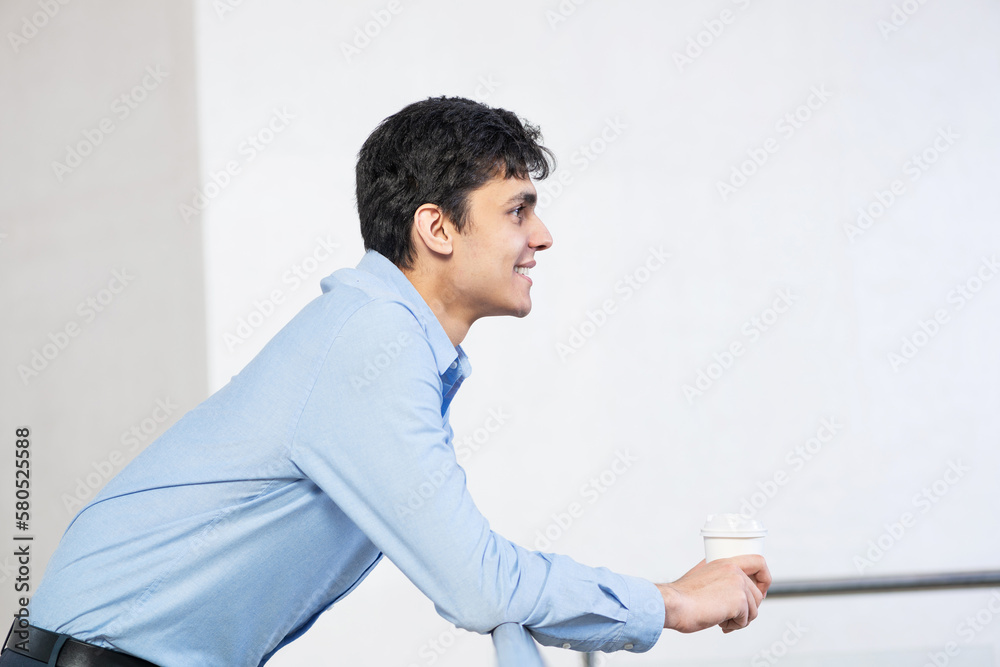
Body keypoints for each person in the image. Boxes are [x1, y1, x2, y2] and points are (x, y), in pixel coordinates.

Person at [6, 97, 770, 667]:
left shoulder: (387, 343)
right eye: (517, 211)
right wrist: (671, 600)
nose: (541, 236)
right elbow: (479, 584)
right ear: (436, 229)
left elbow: (481, 582)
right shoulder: (371, 341)